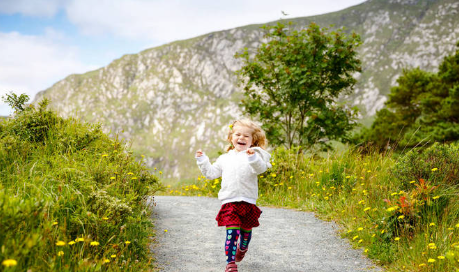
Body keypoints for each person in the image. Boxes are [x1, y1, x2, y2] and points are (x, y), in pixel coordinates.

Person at [195, 119, 271, 272]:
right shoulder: (225, 158)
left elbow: (261, 169)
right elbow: (211, 173)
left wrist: (252, 158)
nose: (241, 138)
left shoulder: (254, 155)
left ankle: (243, 248)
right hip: (229, 202)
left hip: (248, 202)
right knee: (232, 232)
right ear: (231, 137)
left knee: (246, 231)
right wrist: (203, 160)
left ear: (252, 140)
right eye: (238, 134)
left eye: (246, 136)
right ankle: (230, 264)